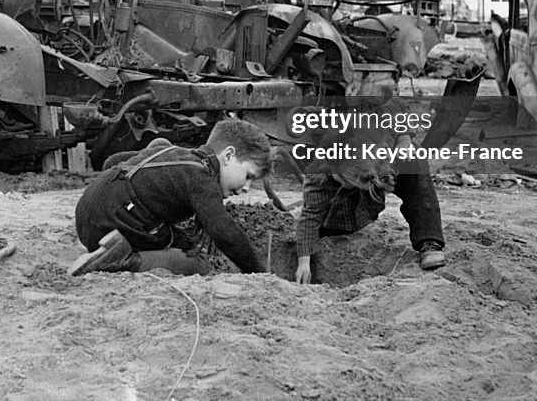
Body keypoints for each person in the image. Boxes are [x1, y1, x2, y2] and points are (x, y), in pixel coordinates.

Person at [69, 119, 271, 277]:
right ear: (228, 156)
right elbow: (224, 232)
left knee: (178, 238)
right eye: (248, 177)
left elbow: (112, 161)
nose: (247, 188)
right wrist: (258, 271)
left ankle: (111, 249)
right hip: (109, 224)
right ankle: (121, 260)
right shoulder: (202, 179)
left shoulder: (177, 152)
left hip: (87, 215)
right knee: (198, 262)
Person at [294, 95, 447, 284]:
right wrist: (304, 263)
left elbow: (397, 104)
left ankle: (429, 242)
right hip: (340, 212)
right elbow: (310, 216)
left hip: (378, 175)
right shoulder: (318, 174)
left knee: (414, 157)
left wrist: (404, 139)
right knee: (322, 227)